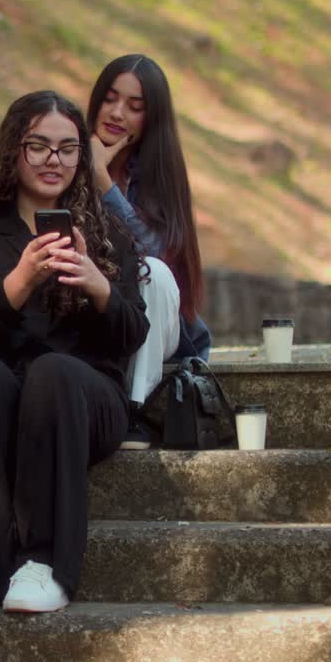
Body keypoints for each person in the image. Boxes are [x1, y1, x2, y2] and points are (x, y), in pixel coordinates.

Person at [0, 91, 149, 615]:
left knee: (53, 372)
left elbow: (131, 334)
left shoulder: (107, 231)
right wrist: (19, 283)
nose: (55, 160)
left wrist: (98, 285)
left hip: (83, 399)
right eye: (40, 146)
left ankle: (42, 564)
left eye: (69, 149)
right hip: (3, 394)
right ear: (13, 150)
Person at [86, 54, 212, 450]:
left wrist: (103, 184)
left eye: (135, 107)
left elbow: (158, 256)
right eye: (110, 99)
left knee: (153, 272)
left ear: (151, 118)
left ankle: (137, 411)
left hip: (157, 321)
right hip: (93, 315)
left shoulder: (159, 173)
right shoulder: (66, 156)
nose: (117, 113)